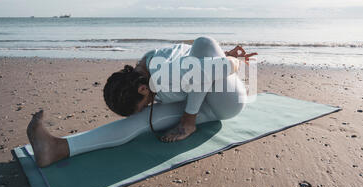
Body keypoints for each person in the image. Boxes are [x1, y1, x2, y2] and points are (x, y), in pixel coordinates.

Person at [26, 36, 257, 167]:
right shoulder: (146, 65)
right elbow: (197, 68)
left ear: (143, 88)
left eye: (145, 104)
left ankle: (190, 120)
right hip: (200, 93)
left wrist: (227, 59)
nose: (148, 107)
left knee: (204, 43)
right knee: (139, 122)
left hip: (226, 101)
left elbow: (225, 66)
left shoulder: (164, 76)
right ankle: (57, 148)